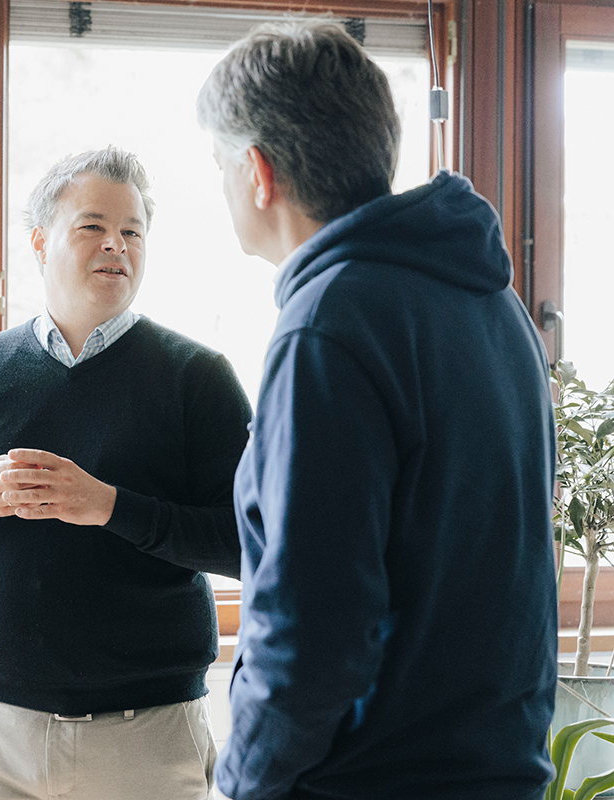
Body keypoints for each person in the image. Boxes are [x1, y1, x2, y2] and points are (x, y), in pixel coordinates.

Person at [195, 20, 557, 800]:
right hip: (497, 773)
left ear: (257, 171)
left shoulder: (330, 323)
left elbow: (310, 625)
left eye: (217, 163)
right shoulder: (491, 302)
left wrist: (242, 783)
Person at [0, 146, 252, 800]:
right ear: (41, 242)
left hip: (148, 732)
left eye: (133, 231)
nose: (117, 245)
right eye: (93, 226)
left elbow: (251, 546)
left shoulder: (198, 378)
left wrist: (110, 506)